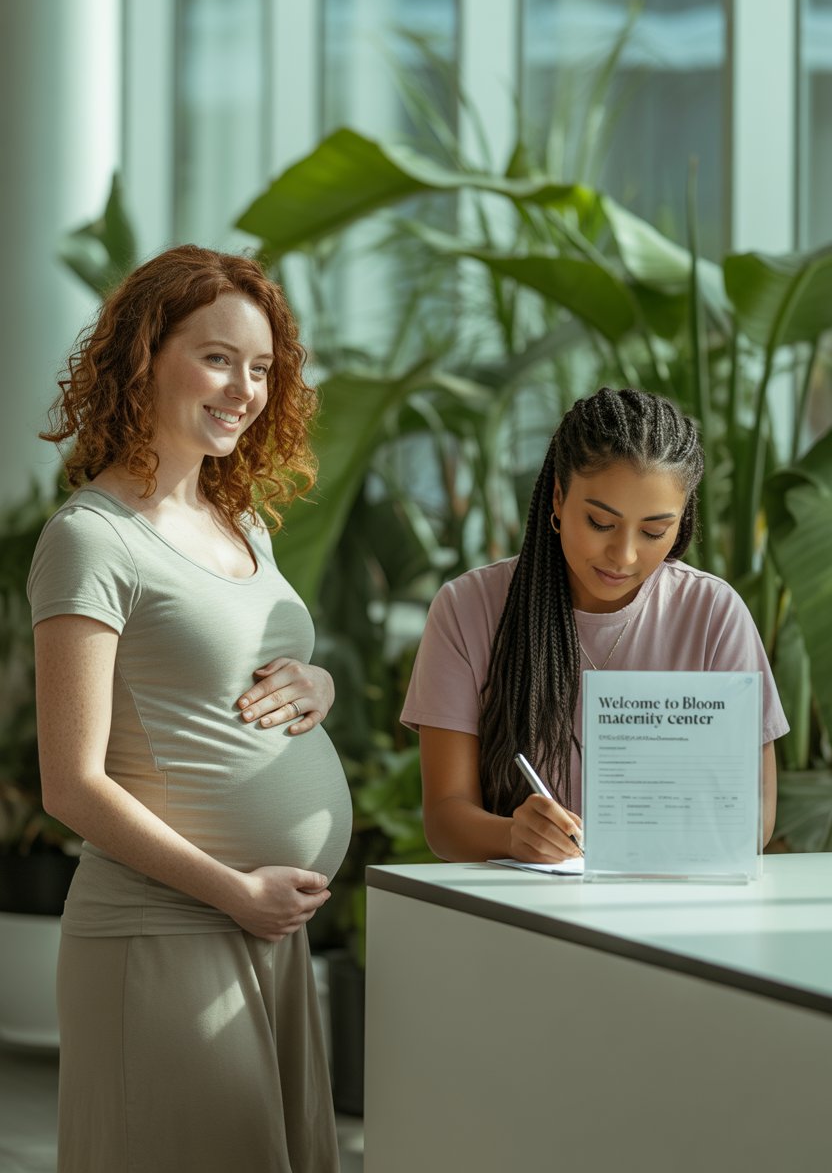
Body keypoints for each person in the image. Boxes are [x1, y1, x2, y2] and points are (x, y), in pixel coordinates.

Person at [28, 245, 352, 1173]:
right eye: (217, 358)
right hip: (162, 931)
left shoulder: (238, 519)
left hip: (261, 931)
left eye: (261, 368)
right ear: (144, 355)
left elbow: (234, 669)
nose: (244, 389)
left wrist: (316, 684)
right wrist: (235, 892)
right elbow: (71, 784)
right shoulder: (90, 541)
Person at [402, 386, 787, 863]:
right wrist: (512, 837)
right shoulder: (468, 608)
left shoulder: (713, 614)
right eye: (601, 523)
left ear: (681, 521)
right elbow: (445, 819)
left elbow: (753, 820)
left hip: (674, 903)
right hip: (519, 911)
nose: (623, 556)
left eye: (653, 532)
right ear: (559, 499)